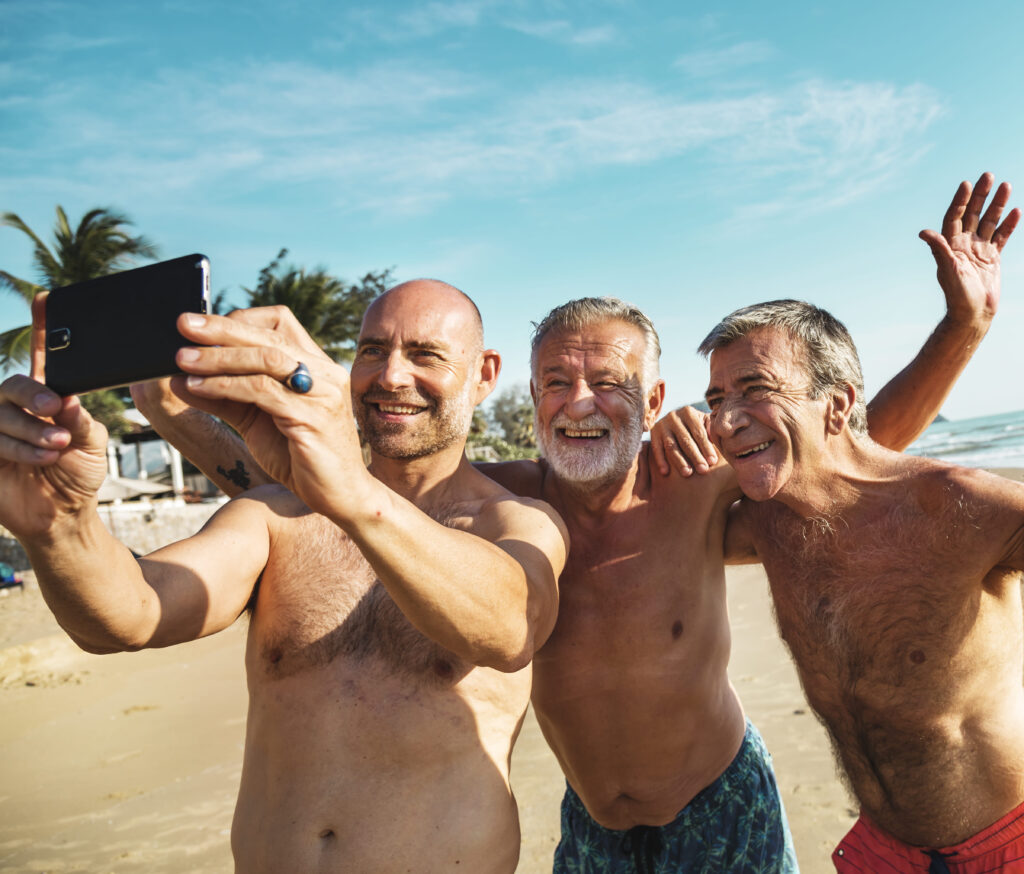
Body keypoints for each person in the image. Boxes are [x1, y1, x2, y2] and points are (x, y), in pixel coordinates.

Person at [133, 175, 1014, 872]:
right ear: (523, 389)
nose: (579, 402)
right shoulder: (493, 505)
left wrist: (962, 328)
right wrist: (174, 409)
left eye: (608, 384)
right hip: (590, 821)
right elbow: (305, 484)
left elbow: (837, 462)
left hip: (717, 799)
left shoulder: (696, 490)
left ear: (656, 398)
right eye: (555, 381)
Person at [0, 280, 568, 873]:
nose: (392, 376)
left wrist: (353, 491)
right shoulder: (279, 515)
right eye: (372, 350)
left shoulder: (516, 521)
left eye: (425, 355)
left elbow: (508, 628)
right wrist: (60, 528)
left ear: (483, 375)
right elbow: (129, 615)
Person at [697, 190, 1024, 870]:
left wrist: (968, 325)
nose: (726, 421)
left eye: (755, 389)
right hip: (883, 850)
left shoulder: (955, 507)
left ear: (838, 404)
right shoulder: (764, 526)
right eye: (716, 400)